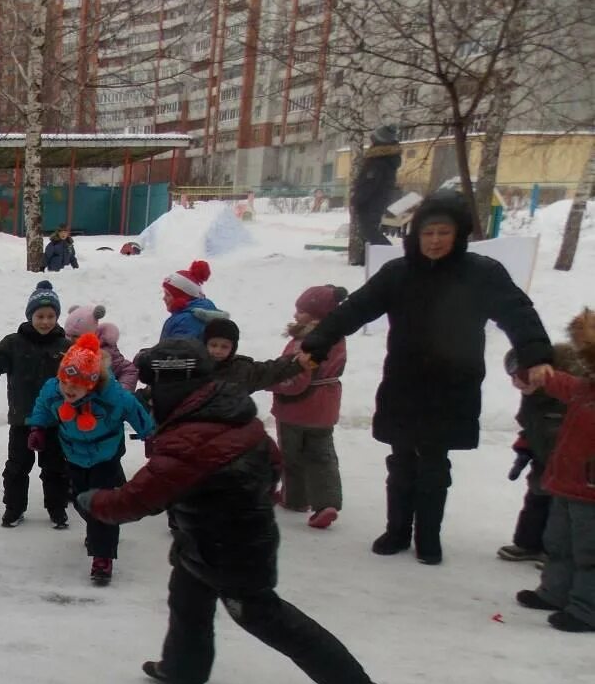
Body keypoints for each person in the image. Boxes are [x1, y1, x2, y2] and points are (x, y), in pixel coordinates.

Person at [80, 339, 382, 684]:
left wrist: (93, 502)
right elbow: (273, 462)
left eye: (153, 387)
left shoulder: (190, 441)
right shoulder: (230, 412)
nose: (149, 396)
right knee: (187, 597)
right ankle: (183, 669)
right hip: (209, 538)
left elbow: (135, 500)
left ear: (175, 385)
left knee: (261, 614)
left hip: (233, 548)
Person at [301, 194, 554, 564]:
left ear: (459, 235)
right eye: (428, 232)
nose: (435, 240)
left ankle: (428, 538)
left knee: (434, 464)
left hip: (453, 385)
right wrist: (318, 342)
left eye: (443, 232)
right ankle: (397, 530)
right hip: (404, 382)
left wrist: (535, 356)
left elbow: (518, 313)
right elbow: (356, 308)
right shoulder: (398, 273)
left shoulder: (482, 273)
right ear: (416, 235)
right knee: (401, 459)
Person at [27, 333, 153, 585]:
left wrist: (149, 435)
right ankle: (97, 529)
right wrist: (37, 428)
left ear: (92, 384)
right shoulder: (54, 390)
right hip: (73, 454)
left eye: (77, 384)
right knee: (80, 500)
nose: (69, 389)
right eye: (65, 382)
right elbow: (42, 406)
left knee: (102, 505)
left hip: (105, 454)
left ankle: (102, 557)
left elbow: (136, 411)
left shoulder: (113, 397)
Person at [0, 280, 72, 528]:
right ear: (30, 316)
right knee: (17, 468)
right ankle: (14, 508)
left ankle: (57, 508)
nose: (45, 321)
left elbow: (83, 379)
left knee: (56, 468)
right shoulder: (13, 344)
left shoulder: (66, 347)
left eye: (51, 316)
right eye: (40, 316)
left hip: (55, 420)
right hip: (23, 419)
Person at [515, 309, 595, 633]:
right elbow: (561, 383)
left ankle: (586, 609)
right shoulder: (585, 389)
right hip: (565, 482)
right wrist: (537, 373)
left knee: (589, 551)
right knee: (558, 542)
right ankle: (554, 592)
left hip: (590, 490)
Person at [272, 285, 349, 529]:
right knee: (322, 456)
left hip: (296, 409)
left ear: (316, 314)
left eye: (301, 310)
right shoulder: (336, 337)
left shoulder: (307, 341)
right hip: (325, 407)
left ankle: (295, 498)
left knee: (292, 455)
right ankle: (326, 503)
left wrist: (271, 381)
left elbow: (296, 377)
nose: (296, 315)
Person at [203, 319, 309, 394]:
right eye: (213, 345)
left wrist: (297, 362)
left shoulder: (242, 370)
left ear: (233, 348)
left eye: (224, 347)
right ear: (205, 343)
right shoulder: (193, 367)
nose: (217, 351)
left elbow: (272, 370)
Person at [351, 124, 402, 248]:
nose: (371, 140)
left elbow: (369, 184)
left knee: (370, 232)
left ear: (379, 140)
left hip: (371, 202)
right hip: (377, 201)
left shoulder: (378, 161)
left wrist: (357, 200)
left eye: (373, 138)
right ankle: (380, 257)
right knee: (370, 232)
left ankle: (388, 256)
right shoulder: (384, 158)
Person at [158, 260, 229, 341]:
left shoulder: (185, 321)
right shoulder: (200, 311)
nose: (164, 298)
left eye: (168, 294)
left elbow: (177, 351)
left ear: (182, 298)